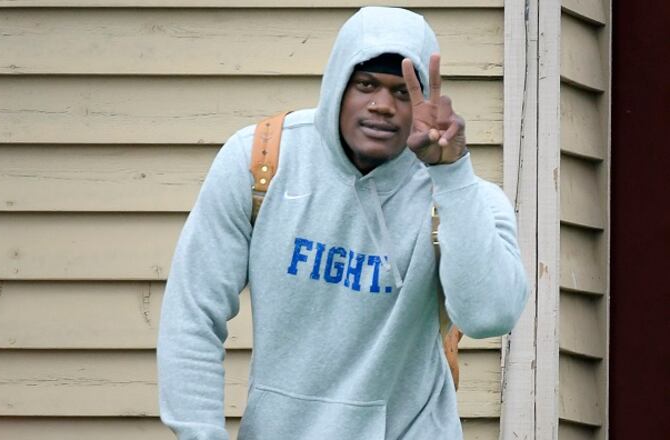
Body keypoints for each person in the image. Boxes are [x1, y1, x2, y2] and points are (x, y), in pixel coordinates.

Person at [157, 6, 528, 440]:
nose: (382, 105)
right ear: (337, 85)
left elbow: (490, 317)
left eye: (402, 92)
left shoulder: (464, 196)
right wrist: (201, 434)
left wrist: (452, 174)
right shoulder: (262, 162)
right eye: (366, 84)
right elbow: (193, 314)